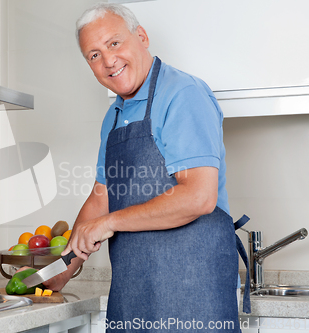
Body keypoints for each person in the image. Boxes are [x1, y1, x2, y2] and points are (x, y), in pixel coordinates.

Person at [33, 3, 251, 331]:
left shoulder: (182, 94)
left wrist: (110, 223)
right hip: (133, 293)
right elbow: (101, 198)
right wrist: (57, 273)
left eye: (114, 43)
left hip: (193, 294)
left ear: (142, 37)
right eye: (93, 55)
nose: (108, 61)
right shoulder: (115, 116)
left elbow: (198, 197)